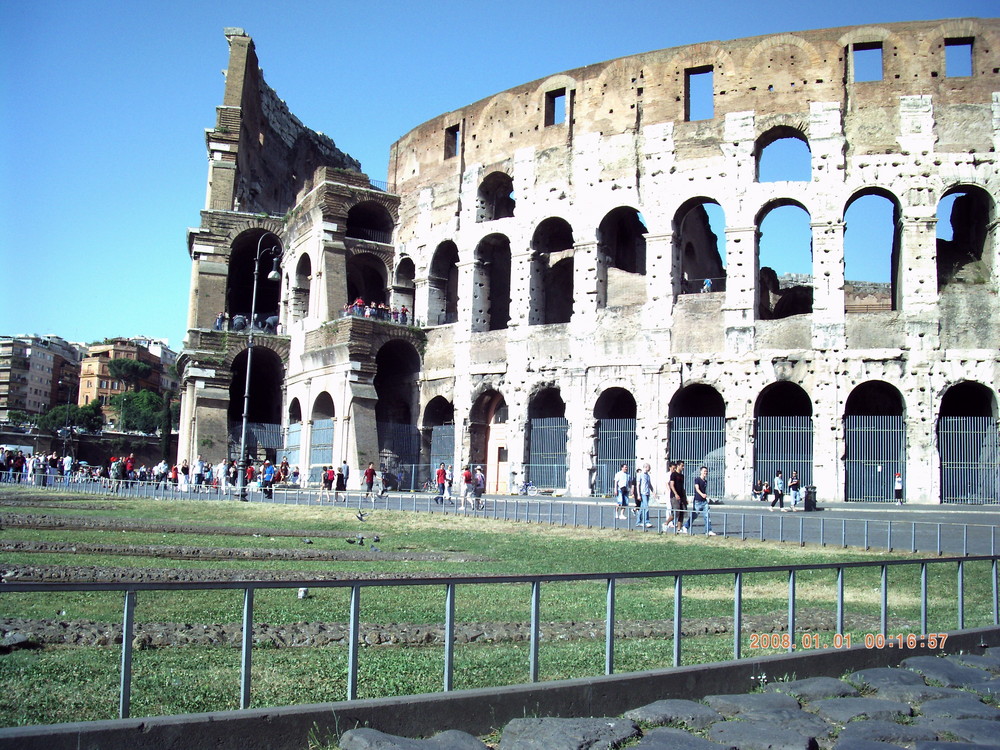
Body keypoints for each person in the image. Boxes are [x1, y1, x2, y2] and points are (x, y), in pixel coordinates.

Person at [685, 466, 717, 536]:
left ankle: (709, 530)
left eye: (706, 471)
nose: (705, 472)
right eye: (704, 471)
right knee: (694, 516)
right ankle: (685, 527)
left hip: (704, 501)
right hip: (697, 501)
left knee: (707, 516)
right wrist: (702, 494)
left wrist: (705, 496)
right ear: (701, 471)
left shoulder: (705, 481)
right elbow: (697, 488)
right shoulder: (697, 479)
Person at [667, 461, 688, 533]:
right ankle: (666, 523)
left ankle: (679, 529)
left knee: (682, 512)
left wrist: (685, 498)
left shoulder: (682, 476)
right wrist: (675, 494)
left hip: (681, 496)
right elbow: (671, 485)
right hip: (674, 496)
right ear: (678, 466)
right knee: (677, 511)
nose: (683, 467)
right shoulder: (673, 474)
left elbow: (682, 487)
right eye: (682, 465)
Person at [635, 463, 654, 528]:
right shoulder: (640, 475)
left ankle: (638, 522)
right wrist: (638, 494)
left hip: (647, 493)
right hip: (642, 493)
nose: (650, 469)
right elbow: (638, 485)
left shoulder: (648, 475)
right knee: (646, 507)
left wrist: (653, 491)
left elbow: (649, 484)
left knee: (642, 508)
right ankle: (647, 521)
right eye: (649, 467)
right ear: (646, 467)